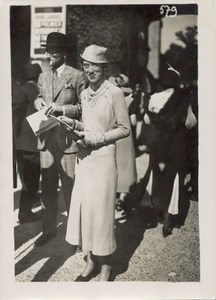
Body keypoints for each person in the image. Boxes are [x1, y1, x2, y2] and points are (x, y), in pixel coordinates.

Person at [59, 44, 130, 281]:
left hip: (104, 160)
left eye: (95, 66)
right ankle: (90, 259)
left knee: (103, 213)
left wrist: (98, 138)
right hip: (84, 159)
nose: (90, 70)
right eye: (86, 65)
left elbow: (124, 129)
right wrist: (72, 127)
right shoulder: (84, 92)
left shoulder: (115, 92)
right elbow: (86, 125)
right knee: (86, 212)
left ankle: (107, 265)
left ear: (104, 67)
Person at [33, 32, 86, 247]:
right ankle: (48, 230)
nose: (49, 56)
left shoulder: (77, 76)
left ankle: (75, 234)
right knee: (47, 188)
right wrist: (38, 103)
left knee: (70, 188)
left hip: (67, 143)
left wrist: (62, 108)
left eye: (53, 53)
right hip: (46, 141)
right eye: (48, 52)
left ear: (64, 53)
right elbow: (39, 97)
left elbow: (84, 108)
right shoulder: (43, 76)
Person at [142, 65, 197, 237]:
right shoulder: (184, 99)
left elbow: (147, 121)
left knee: (156, 176)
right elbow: (191, 123)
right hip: (177, 145)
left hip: (159, 144)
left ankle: (153, 214)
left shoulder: (154, 98)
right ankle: (168, 222)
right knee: (174, 180)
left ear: (163, 83)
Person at [14, 63, 42, 223]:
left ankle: (25, 211)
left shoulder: (20, 90)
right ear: (38, 77)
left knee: (24, 179)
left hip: (19, 142)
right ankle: (25, 213)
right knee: (31, 180)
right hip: (33, 143)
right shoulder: (38, 92)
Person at [109, 74, 137, 213]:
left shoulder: (111, 99)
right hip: (126, 137)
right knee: (126, 167)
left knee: (113, 164)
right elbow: (133, 122)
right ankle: (123, 198)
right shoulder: (131, 100)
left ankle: (112, 197)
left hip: (112, 134)